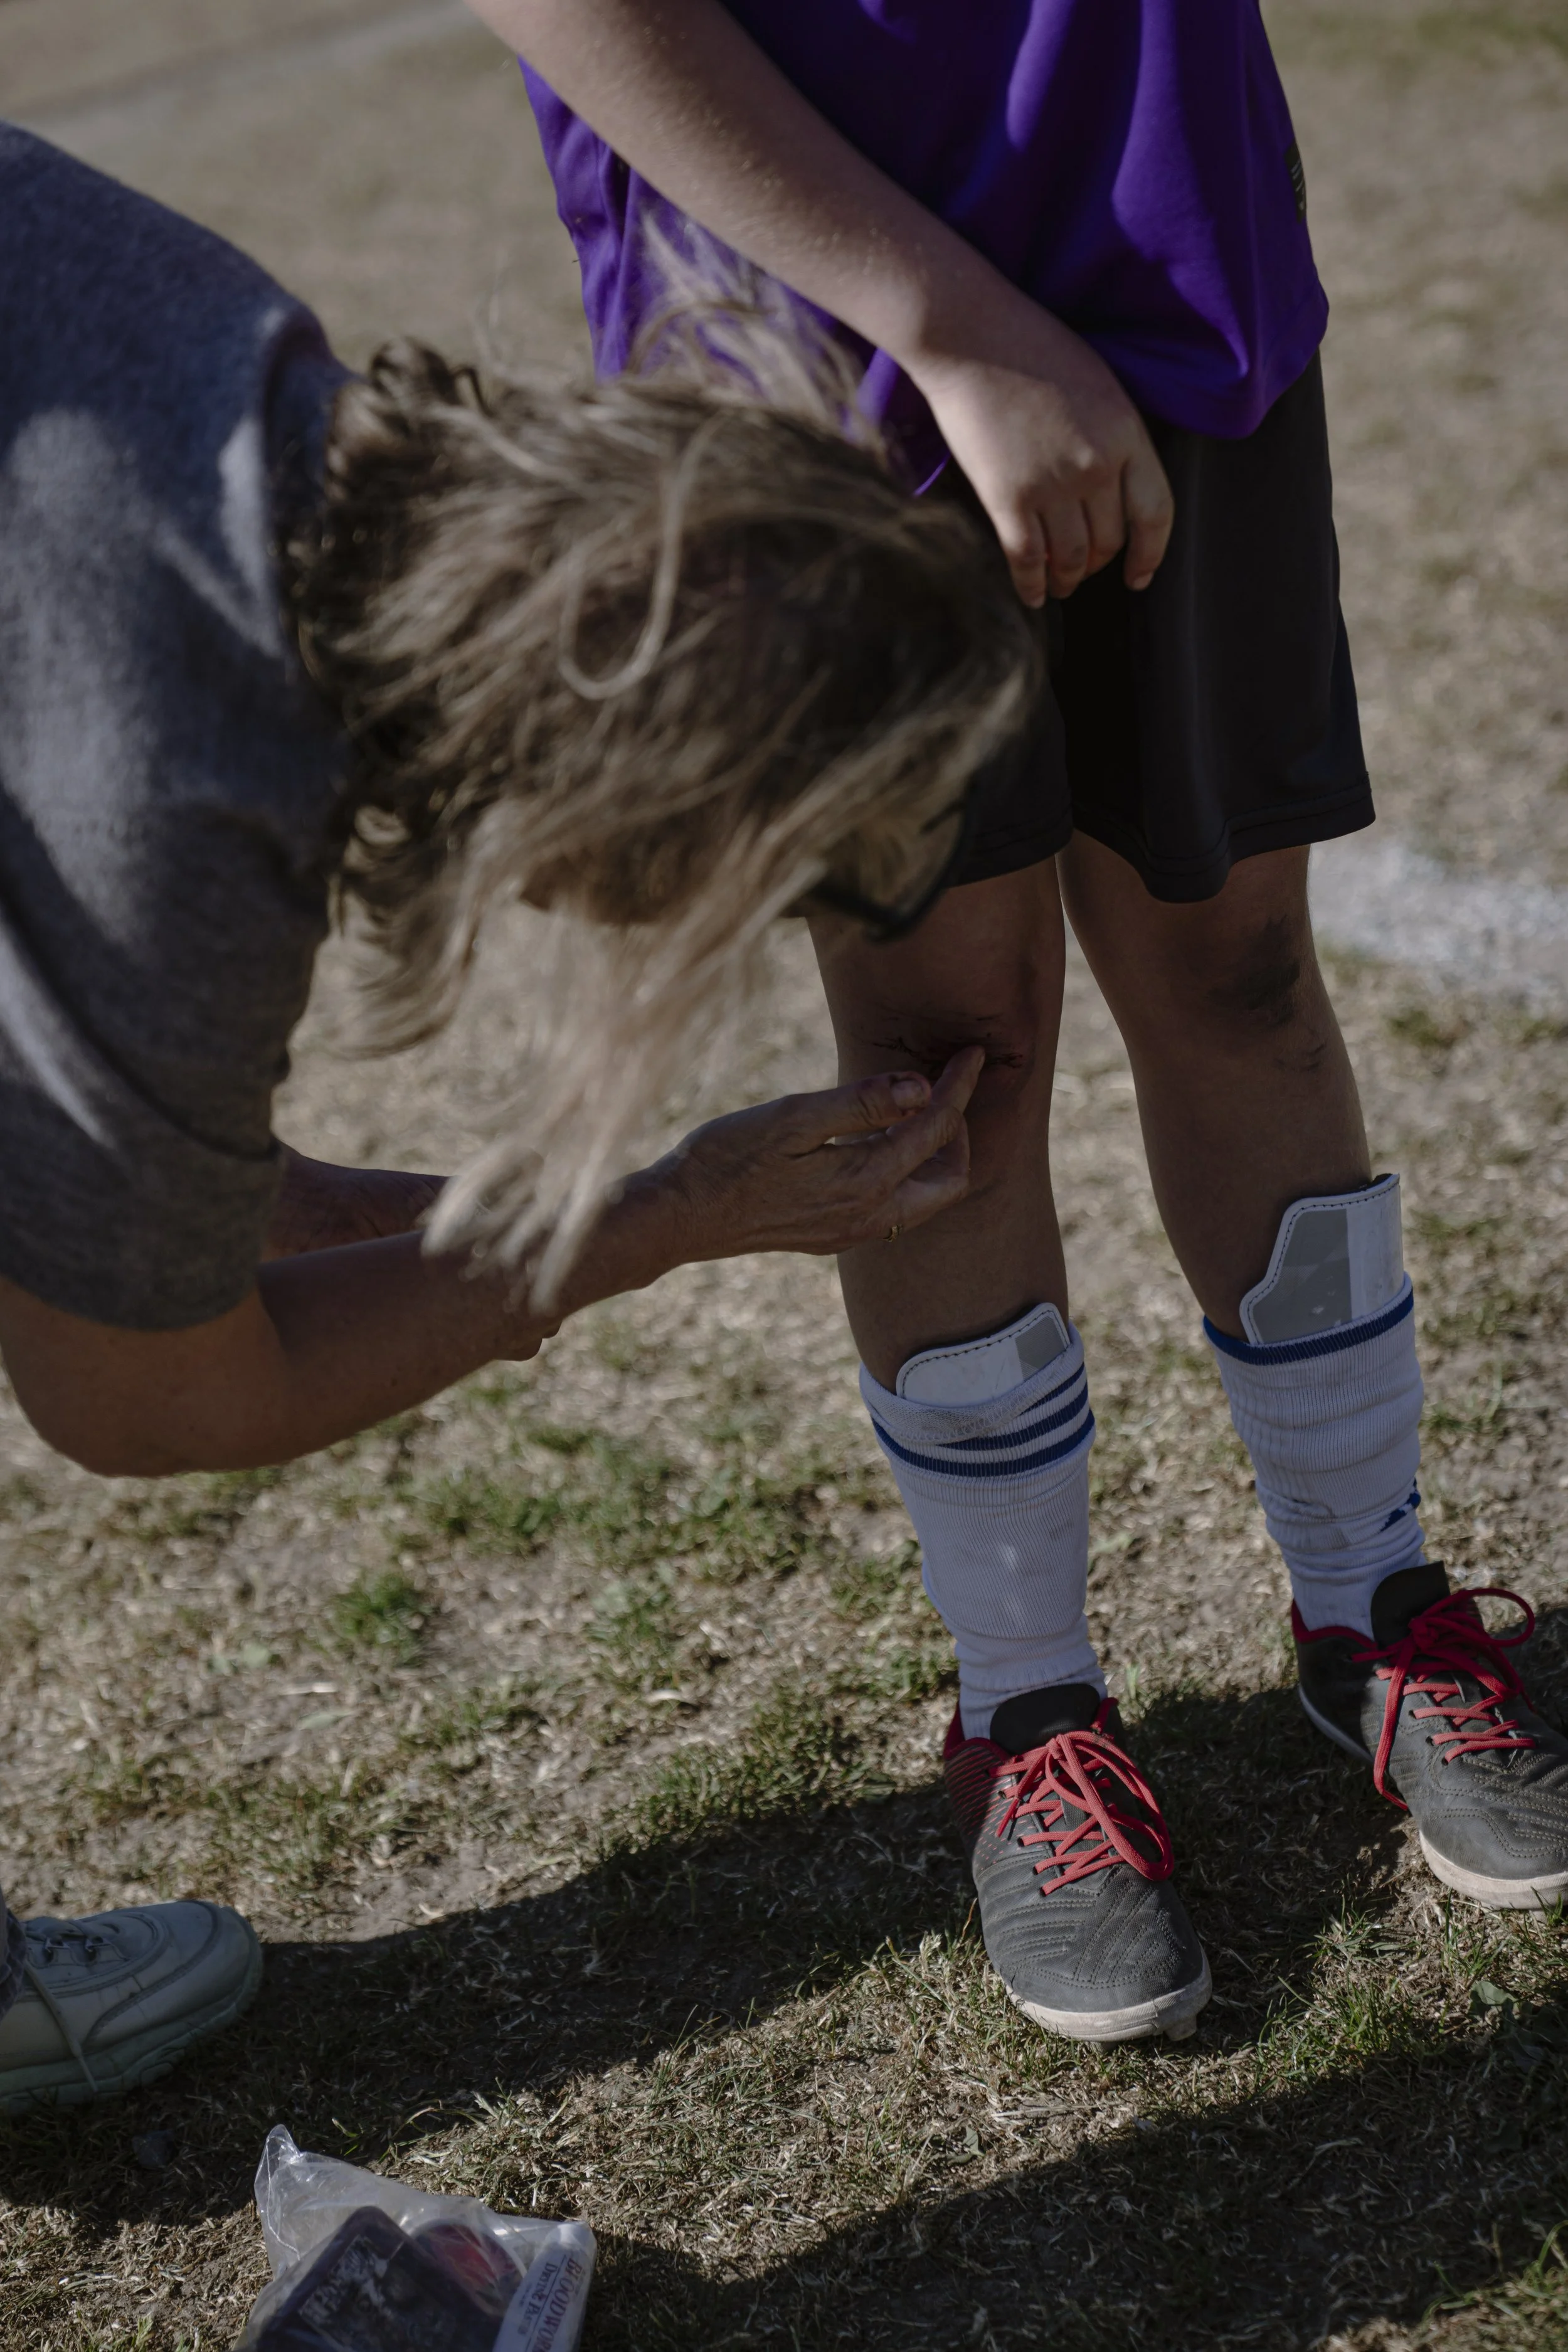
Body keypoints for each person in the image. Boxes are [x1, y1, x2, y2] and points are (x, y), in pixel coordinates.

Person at [470, 0, 1568, 2047]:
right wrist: (943, 319)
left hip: (1162, 234)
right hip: (805, 319)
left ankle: (1374, 1612)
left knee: (1231, 956)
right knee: (940, 1050)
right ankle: (1030, 1719)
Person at [0, 121, 1038, 2107]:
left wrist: (383, 1200)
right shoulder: (176, 795)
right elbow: (149, 1399)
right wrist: (652, 1212)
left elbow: (84, 1145)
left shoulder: (227, 349)